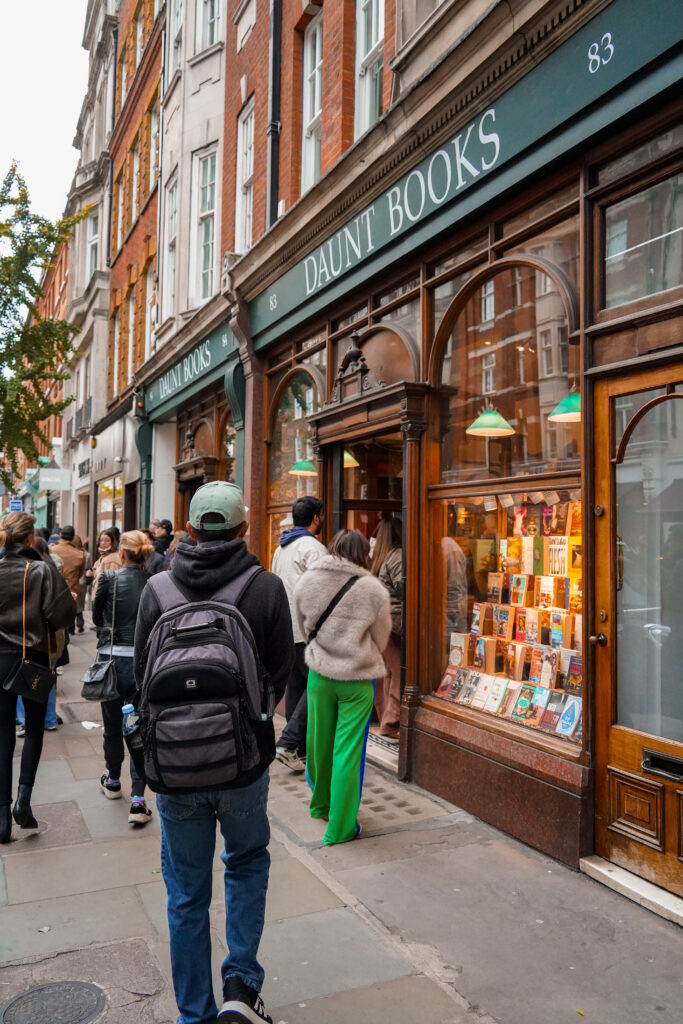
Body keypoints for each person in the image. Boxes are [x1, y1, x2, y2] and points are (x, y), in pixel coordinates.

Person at [134, 481, 294, 1024]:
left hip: (175, 769)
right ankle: (241, 990)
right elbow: (279, 672)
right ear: (244, 529)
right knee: (247, 862)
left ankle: (195, 1013)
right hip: (245, 763)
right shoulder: (265, 586)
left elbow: (140, 679)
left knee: (185, 893)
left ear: (190, 529)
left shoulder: (157, 588)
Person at [293, 529, 390, 846]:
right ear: (365, 554)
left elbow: (301, 622)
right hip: (357, 678)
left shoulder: (309, 580)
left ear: (332, 548)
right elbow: (382, 637)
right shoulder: (372, 588)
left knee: (319, 743)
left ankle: (320, 805)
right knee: (347, 750)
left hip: (321, 674)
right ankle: (340, 827)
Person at [0, 512, 76, 844]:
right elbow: (61, 616)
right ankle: (23, 801)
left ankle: (2, 816)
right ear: (31, 538)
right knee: (33, 729)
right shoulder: (41, 570)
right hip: (32, 660)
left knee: (2, 733)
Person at [93, 530, 154, 825]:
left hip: (112, 661)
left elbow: (95, 617)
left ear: (123, 553)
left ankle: (114, 781)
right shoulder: (155, 584)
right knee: (139, 728)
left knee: (112, 727)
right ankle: (139, 800)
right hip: (142, 663)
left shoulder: (109, 579)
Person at [271, 495, 325, 772]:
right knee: (316, 685)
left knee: (297, 687)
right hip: (307, 630)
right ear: (316, 518)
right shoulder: (313, 548)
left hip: (286, 628)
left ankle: (299, 751)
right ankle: (290, 742)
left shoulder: (281, 548)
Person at [371, 518, 403, 739]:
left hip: (382, 623)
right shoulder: (398, 556)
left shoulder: (379, 557)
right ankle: (391, 723)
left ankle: (386, 719)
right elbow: (405, 590)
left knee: (388, 674)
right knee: (399, 674)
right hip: (395, 622)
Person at [51, 525, 86, 600]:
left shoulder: (50, 550)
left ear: (60, 535)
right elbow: (80, 574)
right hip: (72, 594)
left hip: (54, 592)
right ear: (73, 538)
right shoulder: (80, 554)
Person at [86, 528, 123, 597]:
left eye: (107, 540)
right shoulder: (102, 557)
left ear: (112, 542)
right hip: (98, 597)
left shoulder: (113, 558)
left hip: (105, 600)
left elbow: (113, 583)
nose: (103, 543)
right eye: (101, 540)